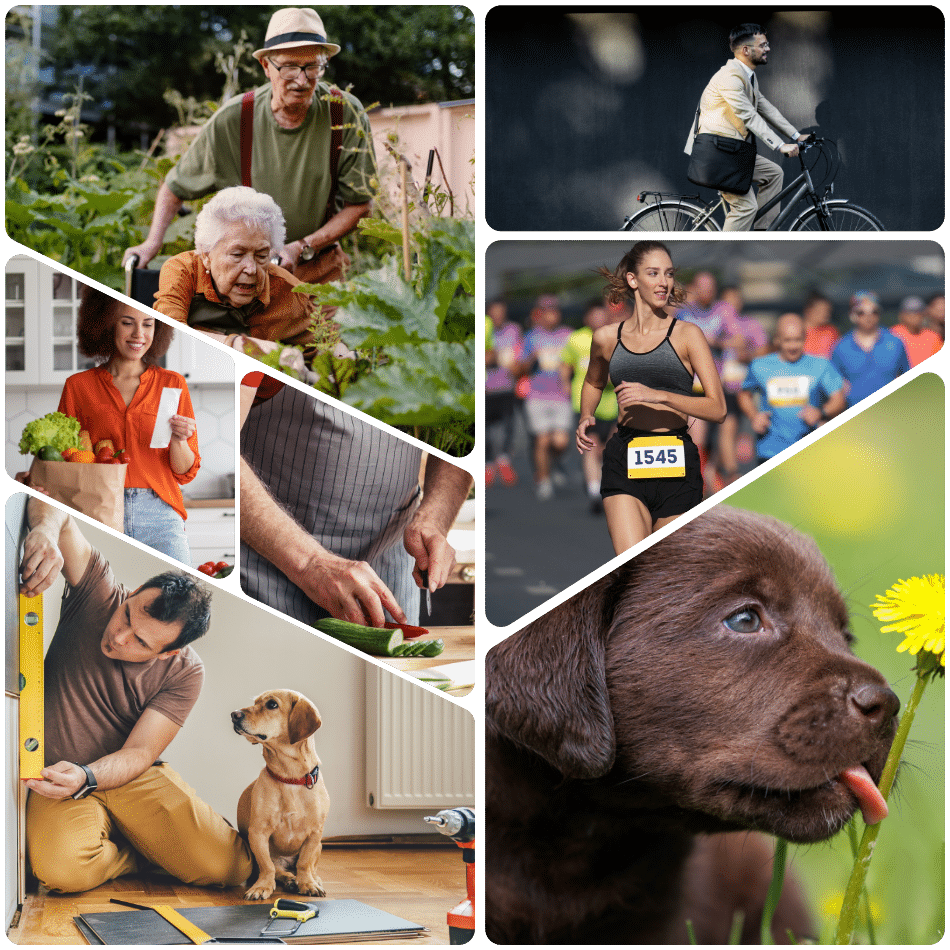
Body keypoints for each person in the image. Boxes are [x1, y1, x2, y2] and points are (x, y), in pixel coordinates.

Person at [19, 497, 251, 894]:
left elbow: (141, 753)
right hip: (58, 774)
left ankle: (152, 845)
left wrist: (89, 775)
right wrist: (43, 530)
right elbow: (52, 506)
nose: (118, 637)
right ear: (135, 592)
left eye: (140, 641)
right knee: (61, 873)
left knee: (231, 868)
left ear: (169, 651)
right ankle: (140, 853)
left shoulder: (186, 671)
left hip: (128, 775)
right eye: (128, 614)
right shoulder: (98, 593)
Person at [123, 8, 377, 283]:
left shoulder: (343, 113)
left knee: (331, 327)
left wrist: (302, 246)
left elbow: (361, 205)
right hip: (246, 274)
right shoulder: (235, 119)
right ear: (267, 67)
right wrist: (151, 243)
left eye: (313, 66)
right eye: (290, 66)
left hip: (317, 266)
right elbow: (175, 188)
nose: (302, 80)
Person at [239, 373, 473, 627]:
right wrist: (308, 562)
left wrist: (434, 519)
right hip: (273, 562)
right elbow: (218, 452)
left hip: (390, 559)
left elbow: (461, 436)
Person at [578, 242, 726, 555]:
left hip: (676, 461)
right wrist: (585, 414)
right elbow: (593, 381)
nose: (664, 282)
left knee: (664, 569)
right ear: (633, 280)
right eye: (654, 273)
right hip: (625, 457)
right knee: (631, 566)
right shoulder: (606, 337)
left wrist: (658, 396)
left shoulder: (688, 335)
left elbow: (718, 408)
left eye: (669, 274)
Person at [57, 287, 200, 565]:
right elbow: (66, 463)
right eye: (127, 322)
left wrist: (179, 440)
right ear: (106, 324)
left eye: (148, 324)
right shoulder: (78, 386)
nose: (139, 334)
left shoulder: (172, 384)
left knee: (180, 598)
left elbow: (184, 471)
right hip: (99, 512)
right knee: (106, 601)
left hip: (160, 516)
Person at [154, 186, 322, 351]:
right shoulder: (184, 270)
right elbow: (169, 335)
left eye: (261, 255)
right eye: (237, 254)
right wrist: (239, 345)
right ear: (206, 255)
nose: (251, 269)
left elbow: (329, 348)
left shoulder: (290, 291)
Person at [685, 23, 810, 232]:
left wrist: (796, 135)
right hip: (718, 154)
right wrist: (780, 146)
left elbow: (766, 108)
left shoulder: (747, 77)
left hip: (732, 152)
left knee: (774, 174)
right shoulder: (730, 77)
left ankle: (761, 234)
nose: (768, 48)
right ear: (746, 50)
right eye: (763, 45)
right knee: (745, 207)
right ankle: (723, 257)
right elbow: (748, 115)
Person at [738, 313, 846, 465]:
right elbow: (744, 395)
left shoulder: (821, 365)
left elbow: (839, 399)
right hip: (770, 450)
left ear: (805, 338)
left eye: (798, 340)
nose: (793, 346)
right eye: (788, 340)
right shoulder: (760, 366)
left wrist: (821, 412)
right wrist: (754, 416)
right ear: (777, 339)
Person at [560, 301, 619, 512]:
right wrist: (566, 385)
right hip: (585, 403)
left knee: (606, 450)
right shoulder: (576, 339)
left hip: (611, 405)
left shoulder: (616, 337)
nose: (598, 319)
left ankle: (601, 483)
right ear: (586, 318)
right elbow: (566, 364)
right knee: (590, 446)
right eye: (593, 315)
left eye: (601, 314)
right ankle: (595, 491)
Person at [516, 295, 573, 501]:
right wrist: (532, 357)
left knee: (560, 442)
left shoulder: (568, 335)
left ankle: (554, 463)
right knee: (542, 440)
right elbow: (518, 368)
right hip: (537, 395)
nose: (551, 315)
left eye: (554, 311)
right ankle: (544, 480)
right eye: (547, 311)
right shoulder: (531, 337)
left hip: (561, 396)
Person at [717, 285, 768, 484]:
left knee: (754, 426)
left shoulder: (751, 325)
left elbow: (764, 351)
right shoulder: (716, 327)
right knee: (727, 427)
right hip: (724, 386)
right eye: (725, 301)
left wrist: (748, 354)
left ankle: (759, 469)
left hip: (748, 387)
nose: (729, 306)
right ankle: (731, 474)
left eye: (734, 300)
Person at [831, 292, 910, 408]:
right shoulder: (840, 347)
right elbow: (833, 384)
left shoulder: (895, 342)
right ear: (852, 315)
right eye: (861, 313)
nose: (868, 316)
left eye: (874, 312)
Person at [484, 298, 522, 488]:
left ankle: (504, 459)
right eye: (494, 312)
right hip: (487, 388)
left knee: (508, 425)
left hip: (506, 386)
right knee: (485, 429)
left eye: (501, 312)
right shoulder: (483, 328)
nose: (498, 316)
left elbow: (519, 356)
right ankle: (488, 463)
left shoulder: (513, 330)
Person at [890, 295, 943, 367]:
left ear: (924, 314)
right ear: (902, 315)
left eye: (918, 311)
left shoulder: (934, 337)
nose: (914, 315)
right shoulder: (893, 334)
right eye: (910, 311)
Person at [802, 291, 840, 359]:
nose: (825, 314)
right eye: (820, 310)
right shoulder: (796, 332)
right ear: (808, 310)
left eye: (827, 311)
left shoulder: (831, 332)